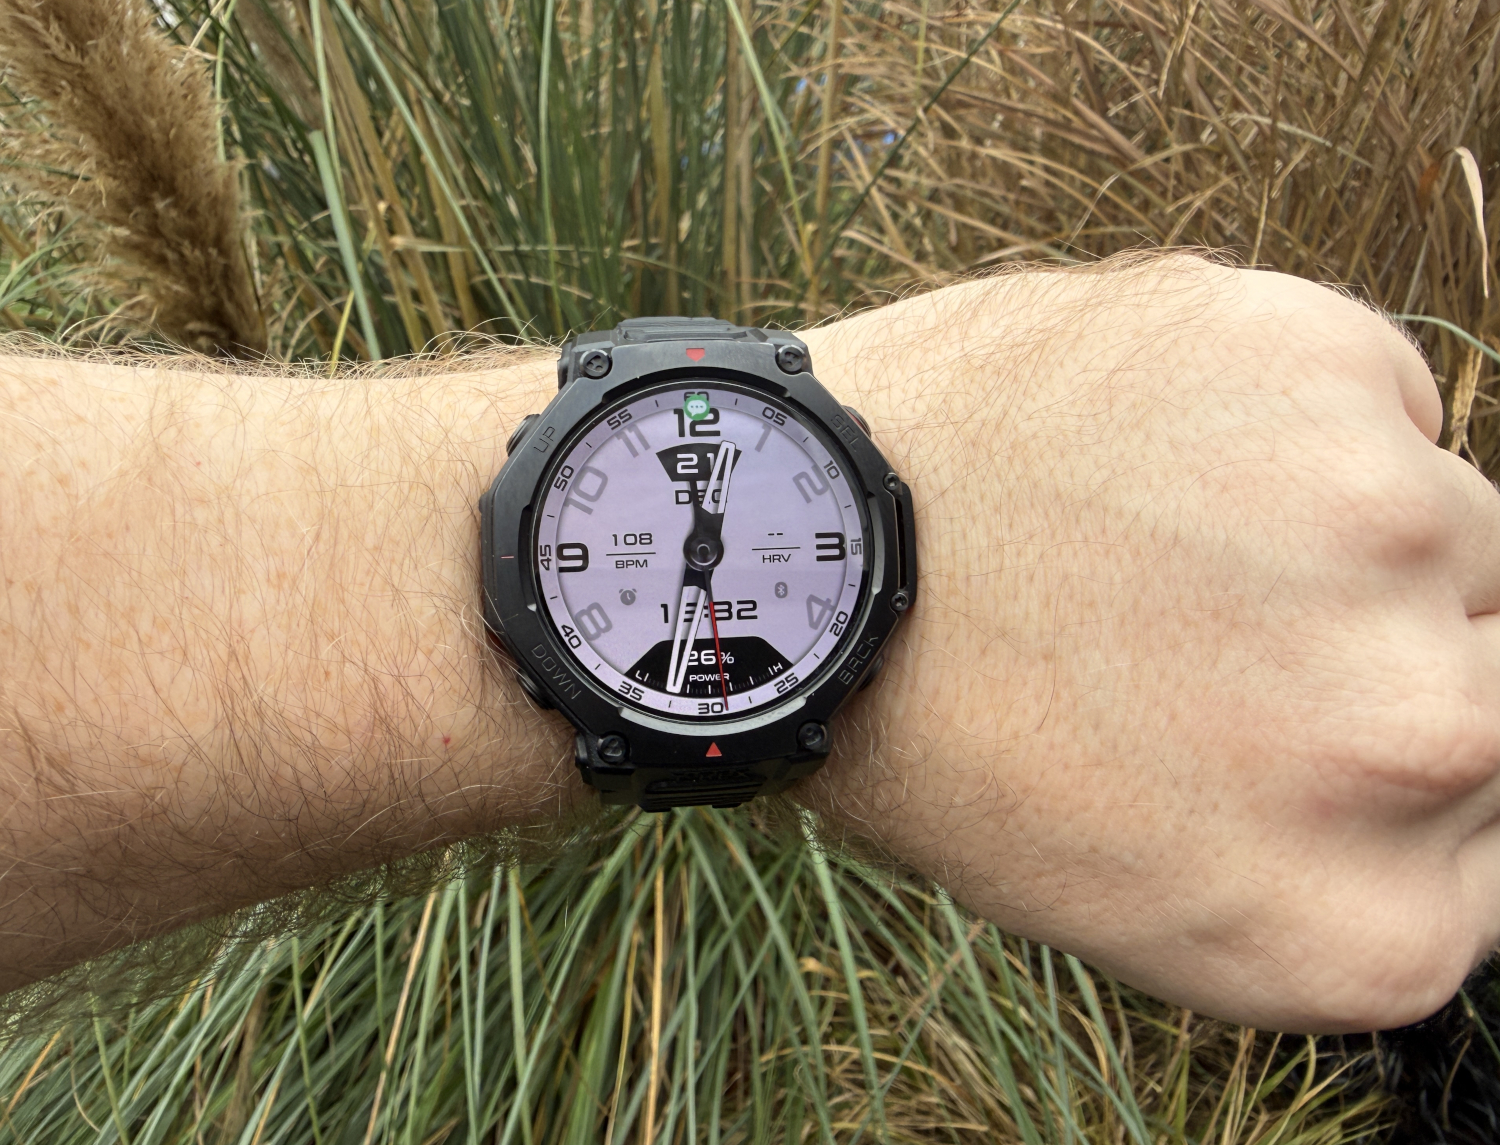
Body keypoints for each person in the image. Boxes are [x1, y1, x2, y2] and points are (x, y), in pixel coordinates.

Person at [0, 251, 1495, 1034]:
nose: (704, 556)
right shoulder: (557, 573)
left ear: (878, 544)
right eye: (672, 542)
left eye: (721, 535)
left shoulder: (804, 546)